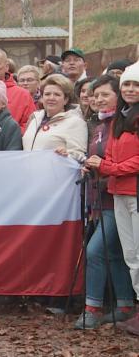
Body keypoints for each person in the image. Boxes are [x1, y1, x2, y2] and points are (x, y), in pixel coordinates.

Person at [73, 76, 134, 329]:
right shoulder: (97, 125)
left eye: (104, 94)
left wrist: (107, 168)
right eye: (95, 95)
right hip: (100, 196)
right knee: (114, 253)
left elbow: (122, 160)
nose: (98, 99)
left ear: (117, 96)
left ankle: (93, 308)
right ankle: (125, 305)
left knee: (95, 251)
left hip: (120, 197)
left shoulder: (123, 123)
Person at [22, 74, 87, 162]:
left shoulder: (75, 122)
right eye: (47, 94)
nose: (51, 98)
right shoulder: (35, 118)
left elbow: (79, 156)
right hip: (29, 173)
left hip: (55, 174)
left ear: (66, 100)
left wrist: (66, 154)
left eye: (57, 94)